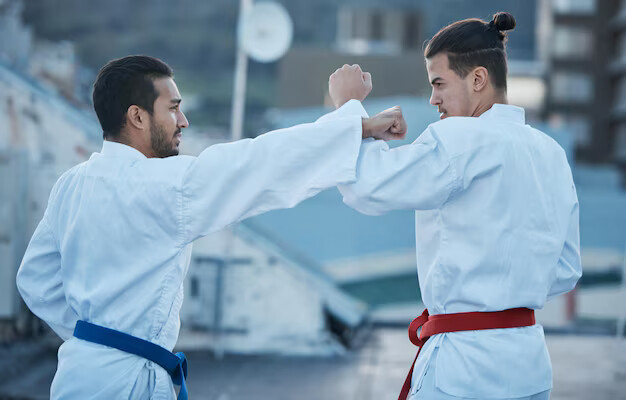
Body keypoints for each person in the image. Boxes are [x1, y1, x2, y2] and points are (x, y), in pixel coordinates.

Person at [15, 55, 407, 399]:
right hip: (125, 384)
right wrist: (352, 121)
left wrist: (94, 339)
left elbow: (35, 280)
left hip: (77, 373)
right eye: (173, 109)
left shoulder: (72, 184)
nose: (183, 121)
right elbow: (259, 164)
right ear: (137, 116)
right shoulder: (162, 187)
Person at [329, 12, 581, 400]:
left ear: (478, 79)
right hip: (528, 366)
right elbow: (566, 269)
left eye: (439, 83)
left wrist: (348, 109)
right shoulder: (550, 153)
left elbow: (365, 187)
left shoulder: (458, 139)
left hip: (464, 370)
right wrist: (508, 290)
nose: (433, 99)